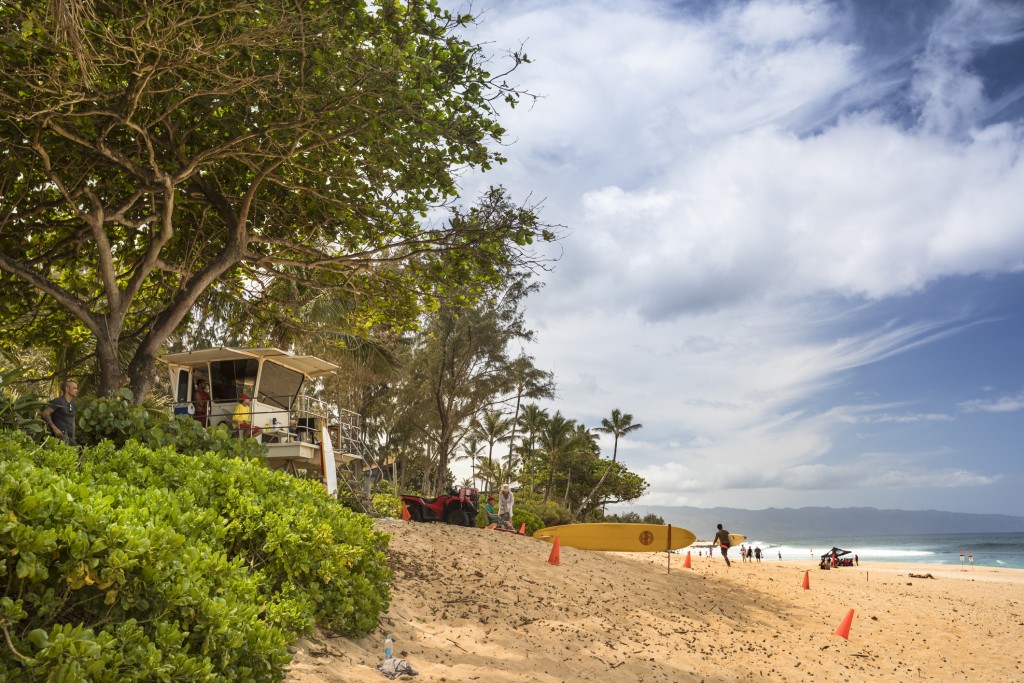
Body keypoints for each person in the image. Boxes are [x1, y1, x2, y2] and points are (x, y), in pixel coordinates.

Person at [42, 379, 78, 445]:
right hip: (59, 435)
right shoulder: (58, 401)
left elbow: (73, 420)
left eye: (76, 388)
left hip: (70, 437)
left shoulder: (73, 404)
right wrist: (55, 429)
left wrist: (73, 436)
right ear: (67, 389)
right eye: (74, 388)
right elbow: (45, 413)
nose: (76, 390)